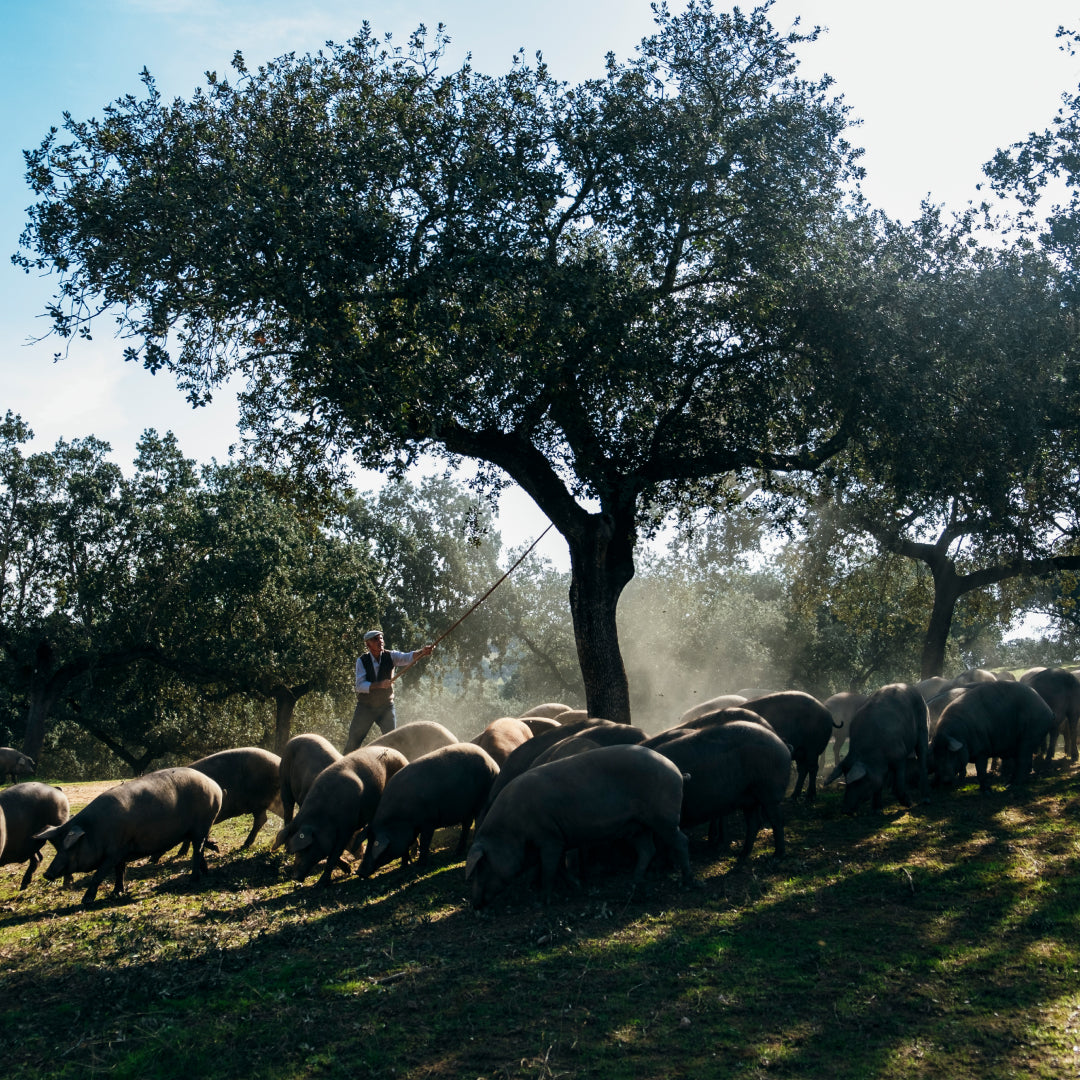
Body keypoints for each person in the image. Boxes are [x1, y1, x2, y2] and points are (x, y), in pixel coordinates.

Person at [344, 630, 434, 752]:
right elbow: (360, 686)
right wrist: (380, 685)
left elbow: (407, 657)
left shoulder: (391, 656)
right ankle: (341, 768)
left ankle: (396, 768)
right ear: (368, 644)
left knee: (393, 741)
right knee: (353, 742)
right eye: (375, 639)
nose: (380, 641)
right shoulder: (361, 661)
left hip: (385, 706)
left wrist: (422, 652)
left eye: (381, 638)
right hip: (365, 707)